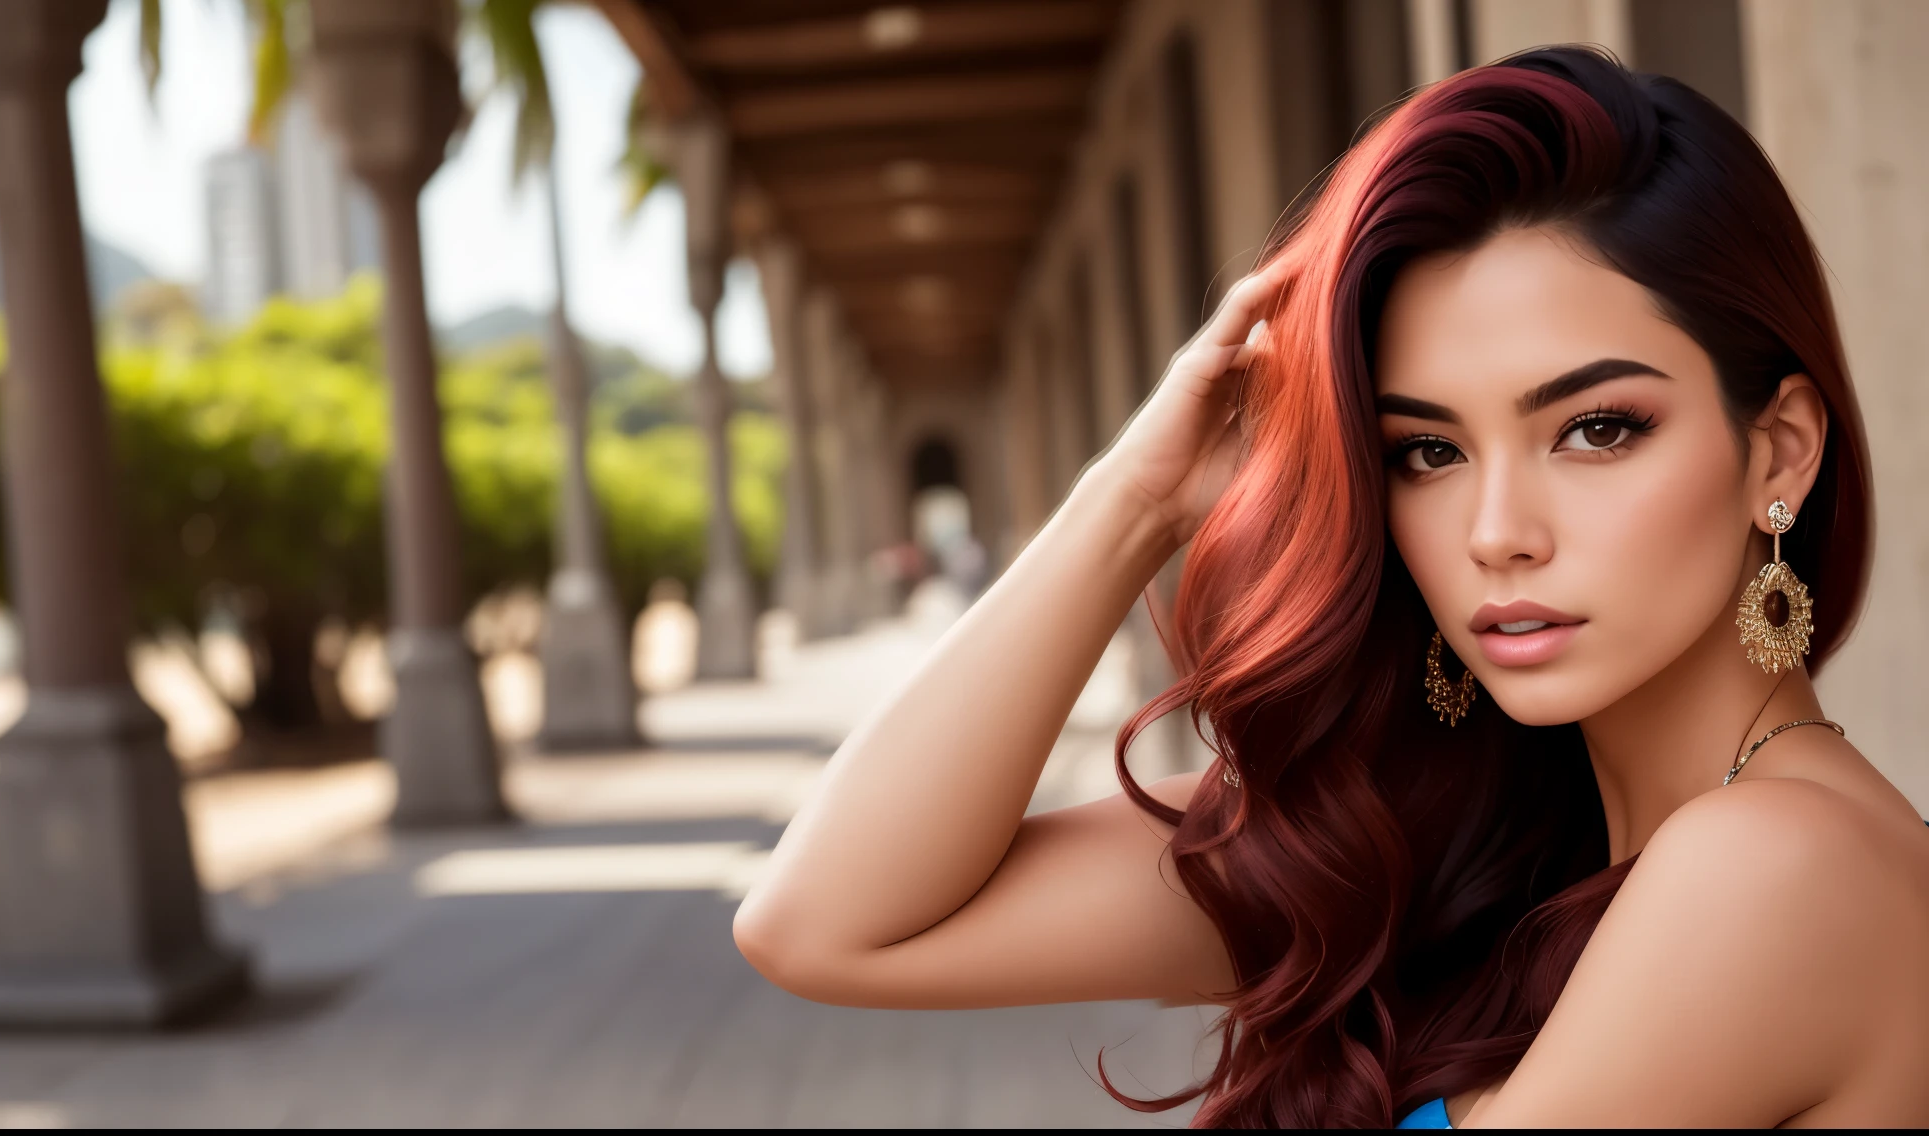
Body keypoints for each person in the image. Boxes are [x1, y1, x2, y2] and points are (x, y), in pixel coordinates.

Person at [732, 47, 1929, 1128]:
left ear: (1775, 452)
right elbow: (825, 921)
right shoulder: (1464, 829)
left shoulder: (1782, 864)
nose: (1495, 533)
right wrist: (1135, 498)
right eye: (1426, 449)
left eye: (1596, 427)